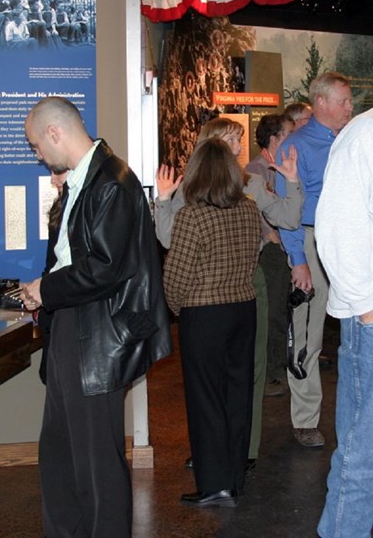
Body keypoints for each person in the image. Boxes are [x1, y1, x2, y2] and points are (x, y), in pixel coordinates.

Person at [20, 96, 172, 538]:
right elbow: (74, 256)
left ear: (54, 133)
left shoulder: (113, 182)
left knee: (97, 463)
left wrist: (46, 289)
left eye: (35, 146)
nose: (37, 156)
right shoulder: (84, 180)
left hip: (98, 336)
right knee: (61, 453)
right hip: (74, 327)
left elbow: (106, 268)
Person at [156, 117, 302, 470]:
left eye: (238, 141)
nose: (239, 149)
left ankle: (243, 451)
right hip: (208, 292)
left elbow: (289, 218)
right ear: (213, 144)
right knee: (210, 379)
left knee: (247, 374)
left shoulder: (250, 184)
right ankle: (212, 452)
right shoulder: (189, 187)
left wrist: (292, 181)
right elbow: (168, 239)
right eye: (232, 141)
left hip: (249, 286)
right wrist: (163, 200)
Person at [163, 138, 262, 508]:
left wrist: (179, 310)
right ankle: (234, 478)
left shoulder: (192, 216)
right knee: (238, 396)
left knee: (205, 400)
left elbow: (175, 275)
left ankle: (213, 484)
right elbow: (253, 258)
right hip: (243, 309)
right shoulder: (249, 210)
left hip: (204, 315)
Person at [275, 71, 353, 448]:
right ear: (321, 103)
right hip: (310, 243)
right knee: (308, 335)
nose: (350, 108)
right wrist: (297, 259)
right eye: (344, 102)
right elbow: (288, 209)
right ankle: (305, 419)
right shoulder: (295, 147)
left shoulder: (350, 141)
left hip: (350, 242)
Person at [315, 108, 373, 538]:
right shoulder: (363, 136)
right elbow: (336, 230)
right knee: (361, 457)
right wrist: (368, 308)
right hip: (370, 320)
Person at [245, 114, 294, 398]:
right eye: (288, 133)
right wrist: (269, 234)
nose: (293, 138)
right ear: (274, 138)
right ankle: (273, 374)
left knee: (281, 310)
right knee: (273, 312)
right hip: (270, 251)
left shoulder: (278, 167)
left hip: (283, 246)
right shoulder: (256, 169)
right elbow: (258, 208)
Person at [35, 170, 67, 384]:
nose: (52, 179)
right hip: (54, 310)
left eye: (58, 173)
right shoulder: (60, 208)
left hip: (65, 313)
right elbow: (51, 264)